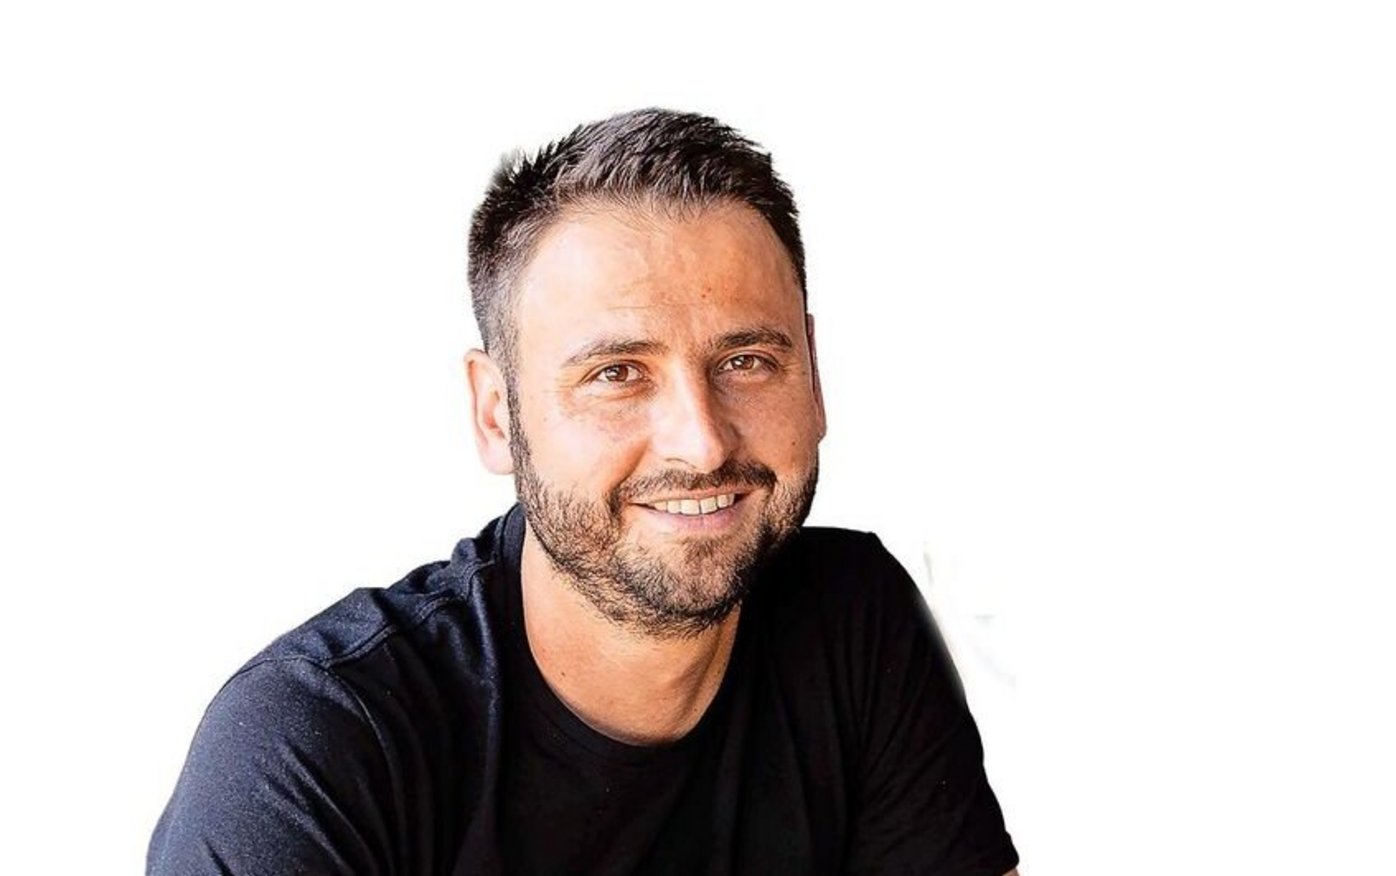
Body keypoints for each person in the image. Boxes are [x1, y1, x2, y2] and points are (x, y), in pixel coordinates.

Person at [148, 108, 1020, 875]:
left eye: (747, 361)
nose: (702, 440)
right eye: (617, 374)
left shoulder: (854, 625)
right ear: (497, 414)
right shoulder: (315, 745)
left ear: (815, 377)